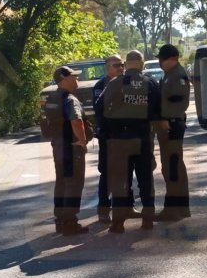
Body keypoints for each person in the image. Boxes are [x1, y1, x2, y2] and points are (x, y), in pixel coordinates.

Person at [96, 50, 161, 233]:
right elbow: (160, 111)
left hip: (119, 140)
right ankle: (148, 219)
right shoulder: (150, 83)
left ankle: (118, 223)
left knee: (120, 182)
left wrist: (108, 131)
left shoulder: (115, 84)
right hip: (143, 139)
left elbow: (99, 108)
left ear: (126, 63)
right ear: (141, 63)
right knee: (145, 179)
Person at [45, 65, 90, 236]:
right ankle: (70, 223)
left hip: (58, 146)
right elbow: (76, 121)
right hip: (72, 147)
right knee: (73, 183)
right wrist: (82, 141)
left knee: (62, 182)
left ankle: (60, 220)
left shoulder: (52, 98)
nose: (77, 79)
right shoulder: (70, 99)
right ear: (65, 79)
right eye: (74, 77)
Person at [155, 43, 191, 221]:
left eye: (162, 59)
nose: (160, 62)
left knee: (172, 168)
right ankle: (179, 208)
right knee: (173, 167)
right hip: (170, 125)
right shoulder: (170, 74)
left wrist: (165, 118)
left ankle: (174, 209)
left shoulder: (177, 75)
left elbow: (179, 103)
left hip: (171, 125)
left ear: (172, 59)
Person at [92, 55, 125, 222]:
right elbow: (100, 109)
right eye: (116, 65)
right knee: (106, 173)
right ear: (107, 68)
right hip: (108, 137)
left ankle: (122, 207)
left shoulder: (128, 82)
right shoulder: (100, 86)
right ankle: (103, 209)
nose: (120, 68)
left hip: (125, 136)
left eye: (122, 64)